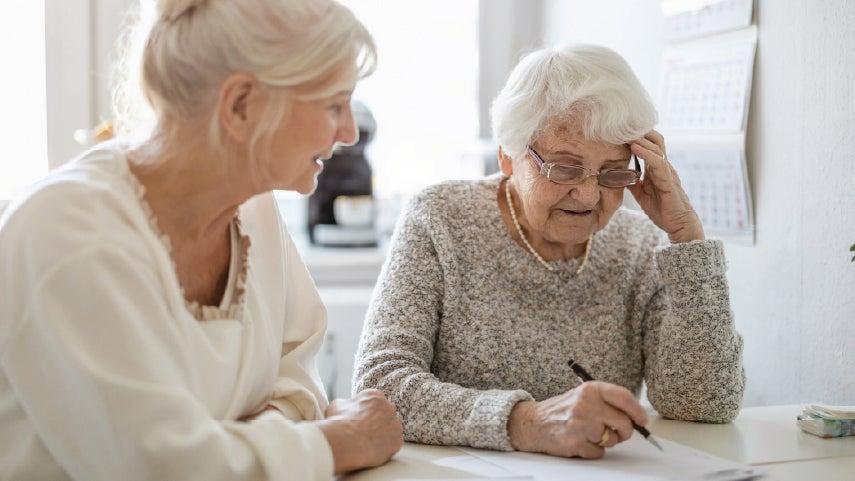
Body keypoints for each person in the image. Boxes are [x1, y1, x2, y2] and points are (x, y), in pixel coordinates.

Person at [0, 0, 402, 479]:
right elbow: (157, 466)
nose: (350, 133)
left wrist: (246, 447)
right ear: (240, 106)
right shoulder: (68, 232)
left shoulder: (253, 209)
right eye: (333, 104)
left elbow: (295, 377)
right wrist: (340, 441)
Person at [353, 44, 745, 460]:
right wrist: (526, 423)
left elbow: (705, 404)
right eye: (564, 167)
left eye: (613, 172)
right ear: (508, 155)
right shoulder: (440, 218)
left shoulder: (640, 245)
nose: (589, 194)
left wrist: (686, 238)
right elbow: (380, 386)